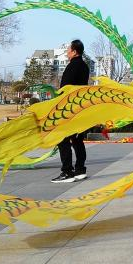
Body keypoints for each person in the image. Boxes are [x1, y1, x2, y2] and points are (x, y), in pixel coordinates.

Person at [52, 39, 90, 183]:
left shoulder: (72, 66)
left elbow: (65, 88)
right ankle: (80, 170)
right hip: (80, 107)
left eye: (68, 50)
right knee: (77, 140)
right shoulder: (85, 66)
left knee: (62, 138)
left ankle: (67, 172)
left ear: (74, 51)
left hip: (69, 108)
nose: (67, 52)